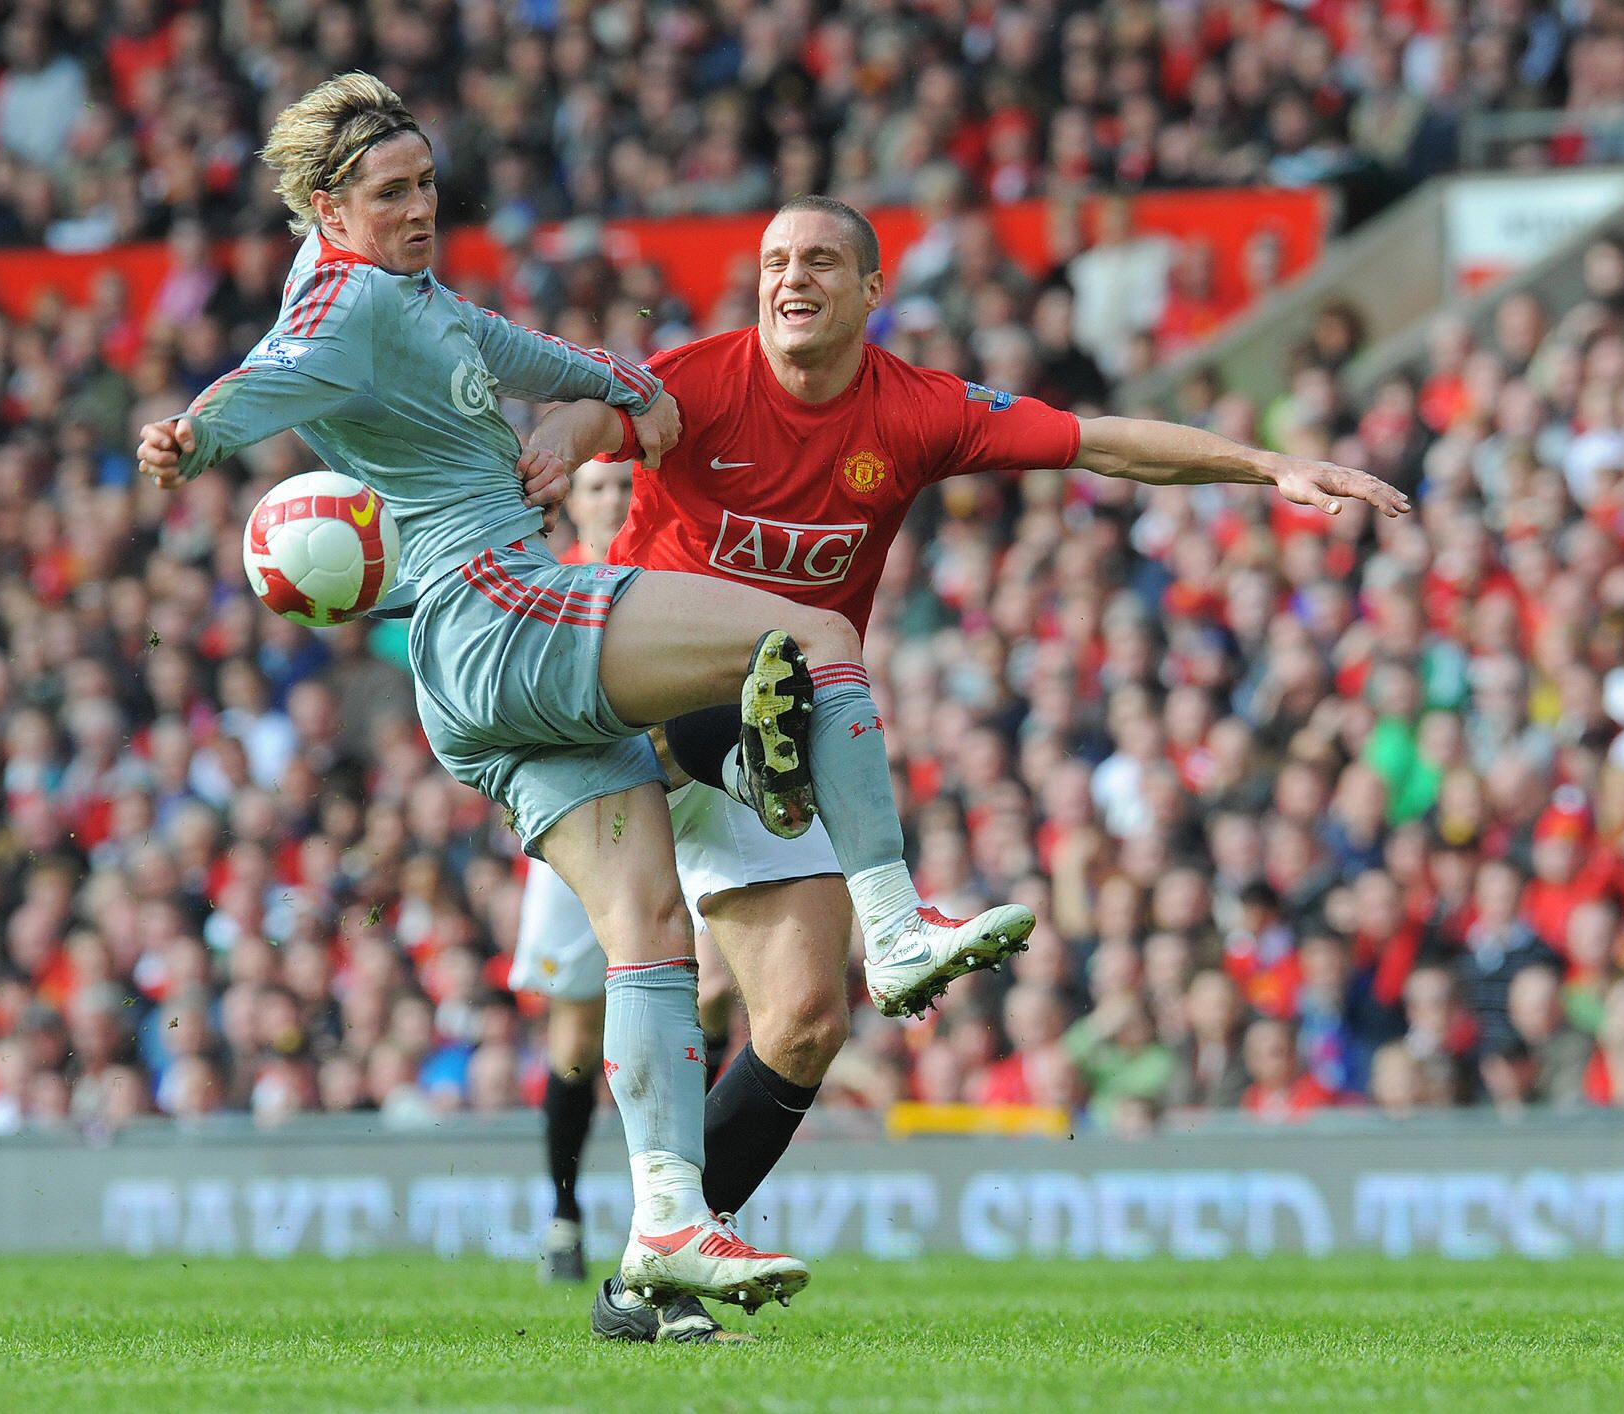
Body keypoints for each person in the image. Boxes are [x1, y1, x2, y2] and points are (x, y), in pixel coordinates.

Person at [133, 74, 1035, 1319]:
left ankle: (667, 1220)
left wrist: (626, 387)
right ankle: (892, 921)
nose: (417, 209)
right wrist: (199, 429)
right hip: (496, 607)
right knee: (810, 626)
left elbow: (535, 354)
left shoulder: (414, 305)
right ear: (328, 206)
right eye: (390, 192)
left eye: (425, 187)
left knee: (650, 930)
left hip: (470, 689)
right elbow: (275, 375)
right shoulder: (341, 295)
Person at [526, 192, 1410, 1339]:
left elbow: (1098, 442)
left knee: (800, 1021)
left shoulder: (912, 411)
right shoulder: (694, 380)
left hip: (774, 726)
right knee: (782, 662)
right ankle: (872, 899)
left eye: (821, 262)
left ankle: (650, 1279)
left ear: (870, 290)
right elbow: (597, 422)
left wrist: (1263, 463)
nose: (791, 279)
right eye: (774, 261)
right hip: (646, 712)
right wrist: (558, 439)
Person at [512, 457, 737, 1290]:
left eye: (625, 487)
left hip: (682, 810)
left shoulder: (672, 582)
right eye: (598, 487)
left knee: (713, 991)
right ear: (570, 505)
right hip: (583, 818)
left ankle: (686, 1204)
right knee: (573, 1035)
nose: (614, 499)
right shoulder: (540, 587)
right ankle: (565, 1211)